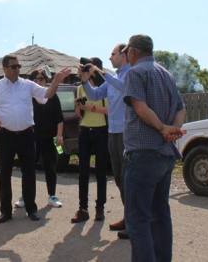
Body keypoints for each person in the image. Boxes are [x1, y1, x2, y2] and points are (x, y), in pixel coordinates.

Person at [0, 55, 71, 223]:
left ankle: (31, 209)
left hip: (26, 135)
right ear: (4, 69)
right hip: (5, 136)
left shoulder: (27, 85)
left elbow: (47, 95)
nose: (17, 69)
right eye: (14, 67)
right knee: (4, 174)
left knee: (29, 173)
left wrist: (56, 81)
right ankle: (5, 212)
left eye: (19, 66)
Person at [121, 35, 186, 262]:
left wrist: (162, 128)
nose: (126, 55)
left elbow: (139, 107)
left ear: (133, 51)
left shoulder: (135, 73)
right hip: (165, 154)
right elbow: (181, 108)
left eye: (127, 51)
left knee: (138, 219)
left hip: (143, 154)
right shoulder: (166, 74)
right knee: (160, 215)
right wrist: (173, 129)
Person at [80, 44, 131, 233]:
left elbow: (123, 87)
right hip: (113, 132)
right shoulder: (113, 78)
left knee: (128, 177)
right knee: (118, 177)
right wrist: (85, 81)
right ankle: (129, 217)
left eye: (113, 54)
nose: (110, 57)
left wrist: (100, 71)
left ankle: (134, 220)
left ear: (124, 55)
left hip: (126, 132)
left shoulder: (130, 74)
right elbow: (94, 94)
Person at [15, 68, 64, 210]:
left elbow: (59, 118)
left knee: (51, 167)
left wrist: (59, 135)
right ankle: (25, 197)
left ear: (45, 80)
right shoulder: (28, 96)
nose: (38, 81)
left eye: (41, 78)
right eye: (35, 79)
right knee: (28, 168)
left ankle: (52, 196)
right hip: (31, 137)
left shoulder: (52, 96)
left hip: (50, 137)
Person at [71, 57, 109, 223]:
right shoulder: (80, 88)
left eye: (89, 69)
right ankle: (83, 208)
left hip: (101, 130)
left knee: (101, 171)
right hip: (85, 130)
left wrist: (90, 107)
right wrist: (78, 107)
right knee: (83, 171)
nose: (87, 72)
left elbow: (109, 110)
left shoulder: (105, 87)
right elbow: (79, 112)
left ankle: (100, 208)